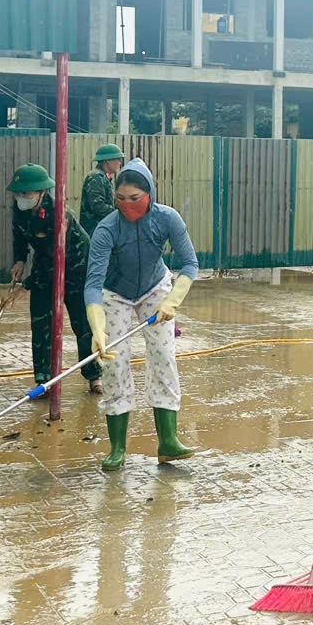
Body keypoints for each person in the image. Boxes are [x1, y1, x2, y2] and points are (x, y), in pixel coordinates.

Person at [84, 158, 200, 471]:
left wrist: (172, 301)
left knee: (163, 356)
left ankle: (168, 442)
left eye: (135, 199)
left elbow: (190, 263)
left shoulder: (167, 218)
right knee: (114, 362)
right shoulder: (107, 228)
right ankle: (118, 447)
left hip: (155, 288)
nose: (127, 205)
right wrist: (98, 331)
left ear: (149, 193)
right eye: (120, 199)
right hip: (116, 294)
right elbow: (93, 284)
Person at [6, 164, 102, 393]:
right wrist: (19, 260)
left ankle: (94, 376)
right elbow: (19, 237)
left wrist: (25, 286)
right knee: (41, 323)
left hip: (75, 267)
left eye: (26, 193)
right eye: (18, 193)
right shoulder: (19, 210)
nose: (21, 198)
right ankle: (44, 379)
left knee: (83, 324)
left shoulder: (59, 215)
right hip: (45, 267)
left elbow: (53, 259)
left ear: (42, 192)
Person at [80, 144, 124, 235]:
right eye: (118, 159)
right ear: (108, 160)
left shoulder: (103, 177)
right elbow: (98, 206)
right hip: (95, 229)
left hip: (101, 228)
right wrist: (119, 213)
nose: (120, 163)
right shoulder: (96, 177)